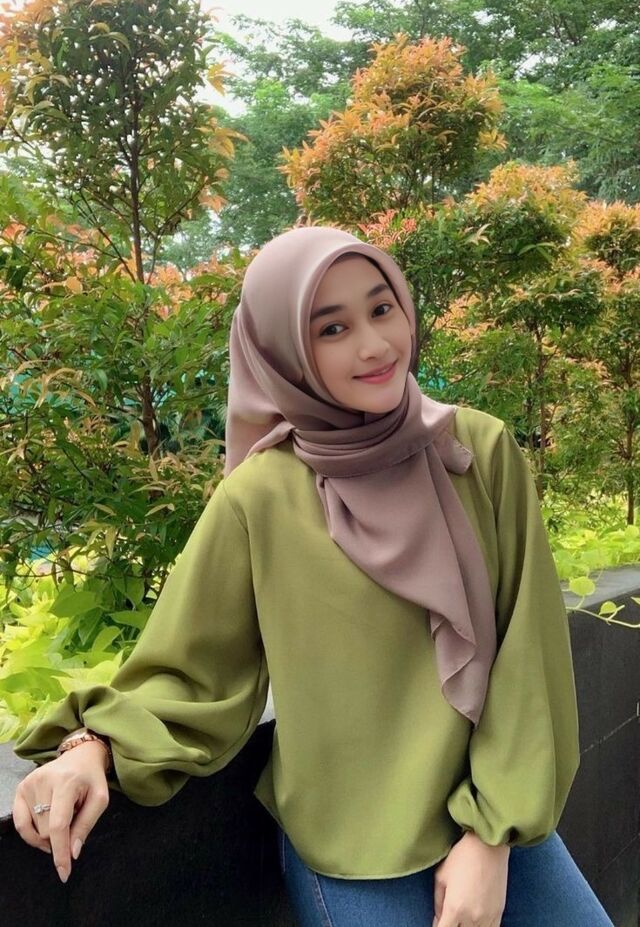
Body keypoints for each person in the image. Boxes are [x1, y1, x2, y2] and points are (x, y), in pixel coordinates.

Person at [12, 226, 613, 927]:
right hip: (352, 841)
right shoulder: (260, 497)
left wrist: (491, 837)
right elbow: (193, 670)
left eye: (381, 308)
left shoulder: (477, 450)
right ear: (284, 352)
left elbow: (528, 650)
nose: (375, 345)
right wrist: (90, 747)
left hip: (493, 812)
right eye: (332, 328)